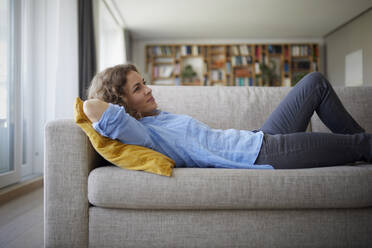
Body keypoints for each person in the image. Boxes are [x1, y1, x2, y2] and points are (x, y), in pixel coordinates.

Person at [83, 63, 372, 170]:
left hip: (258, 137)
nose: (148, 89)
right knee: (360, 144)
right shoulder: (142, 134)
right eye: (137, 88)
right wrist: (111, 98)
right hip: (263, 154)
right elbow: (91, 108)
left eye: (144, 82)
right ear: (121, 101)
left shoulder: (156, 120)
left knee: (315, 82)